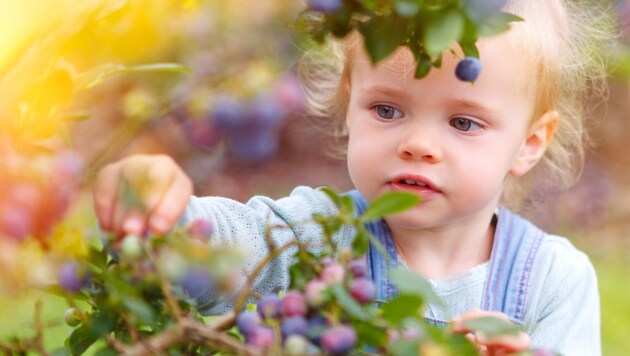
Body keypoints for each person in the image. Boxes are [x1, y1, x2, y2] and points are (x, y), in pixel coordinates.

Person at [92, 0, 613, 354]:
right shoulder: (317, 237)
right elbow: (212, 251)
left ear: (528, 144)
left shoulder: (553, 281)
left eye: (463, 122)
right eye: (387, 110)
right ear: (349, 102)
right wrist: (161, 207)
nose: (419, 143)